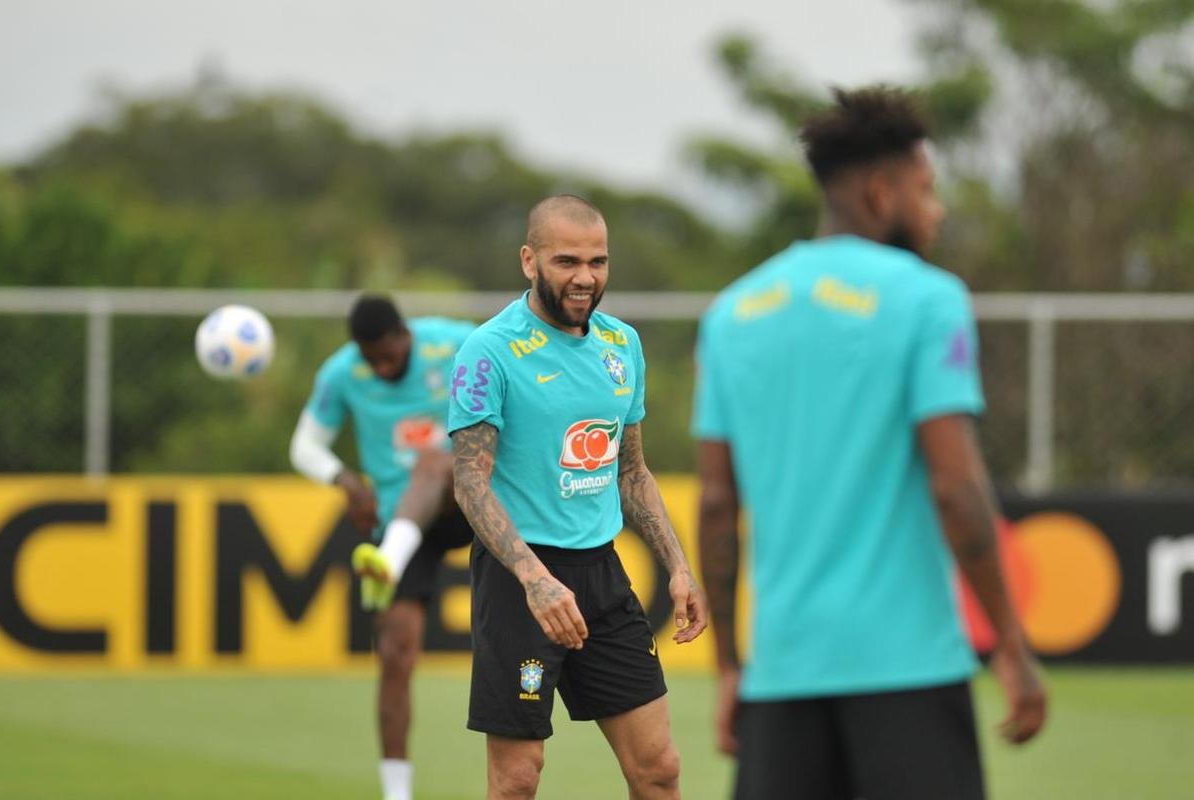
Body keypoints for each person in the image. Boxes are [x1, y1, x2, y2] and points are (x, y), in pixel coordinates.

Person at [694, 86, 1047, 799]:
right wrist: (1009, 642)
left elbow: (715, 504)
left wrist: (733, 667)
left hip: (782, 676)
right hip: (907, 671)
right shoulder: (927, 298)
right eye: (927, 190)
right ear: (882, 196)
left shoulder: (731, 315)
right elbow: (956, 485)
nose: (937, 211)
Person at [447, 194, 708, 800]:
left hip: (603, 578)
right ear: (529, 260)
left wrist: (677, 566)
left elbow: (633, 471)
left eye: (598, 262)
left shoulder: (622, 346)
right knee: (517, 779)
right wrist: (536, 581)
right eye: (567, 261)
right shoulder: (488, 353)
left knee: (660, 768)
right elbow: (470, 481)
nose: (585, 278)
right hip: (520, 582)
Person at [290, 294, 476, 800]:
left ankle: (386, 564)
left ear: (404, 336)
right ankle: (397, 794)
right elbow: (304, 445)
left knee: (434, 463)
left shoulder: (454, 343)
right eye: (369, 358)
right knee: (394, 653)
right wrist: (345, 480)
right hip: (400, 516)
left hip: (471, 503)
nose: (379, 366)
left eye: (386, 355)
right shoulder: (343, 372)